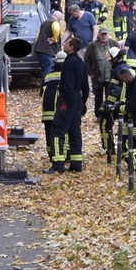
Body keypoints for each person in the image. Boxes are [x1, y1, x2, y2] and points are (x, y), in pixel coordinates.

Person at [48, 36, 90, 173]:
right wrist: (82, 103)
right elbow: (85, 86)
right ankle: (76, 164)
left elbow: (67, 86)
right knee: (74, 132)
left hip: (67, 101)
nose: (64, 44)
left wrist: (66, 104)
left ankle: (58, 165)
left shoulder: (69, 62)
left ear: (71, 47)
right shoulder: (81, 62)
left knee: (56, 131)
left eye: (66, 43)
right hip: (77, 100)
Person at [116, 64, 136, 166]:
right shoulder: (133, 84)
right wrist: (122, 103)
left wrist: (118, 108)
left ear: (127, 76)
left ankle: (133, 166)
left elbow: (132, 106)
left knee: (126, 142)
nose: (123, 82)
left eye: (123, 79)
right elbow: (129, 100)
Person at [84, 26, 119, 119]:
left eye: (105, 34)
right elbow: (86, 59)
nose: (104, 36)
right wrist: (90, 73)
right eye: (102, 34)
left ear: (108, 34)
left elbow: (119, 56)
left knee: (110, 96)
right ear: (98, 35)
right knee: (98, 97)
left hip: (110, 75)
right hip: (97, 75)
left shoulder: (113, 43)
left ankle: (109, 114)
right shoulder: (92, 45)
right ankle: (99, 115)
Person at [41, 51, 67, 169]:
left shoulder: (47, 76)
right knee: (63, 133)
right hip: (62, 110)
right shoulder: (68, 76)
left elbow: (42, 92)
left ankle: (52, 155)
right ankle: (64, 155)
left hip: (48, 112)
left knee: (49, 134)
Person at [33, 11, 63, 78]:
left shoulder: (44, 23)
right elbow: (57, 29)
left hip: (40, 51)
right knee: (48, 70)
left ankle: (44, 85)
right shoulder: (54, 22)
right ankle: (46, 86)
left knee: (45, 69)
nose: (60, 21)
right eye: (60, 20)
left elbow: (37, 37)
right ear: (58, 18)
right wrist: (54, 39)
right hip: (48, 52)